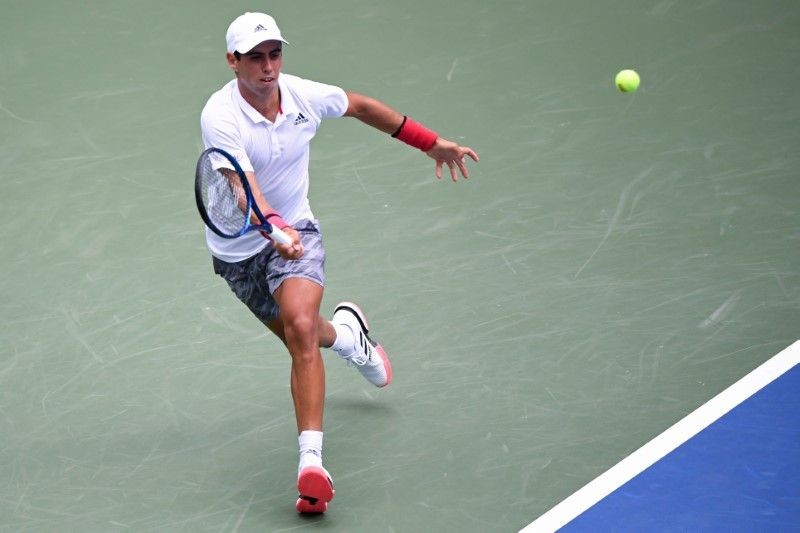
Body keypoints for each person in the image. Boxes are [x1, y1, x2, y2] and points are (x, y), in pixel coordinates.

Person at [199, 12, 479, 514]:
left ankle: (311, 465)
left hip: (297, 231)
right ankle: (350, 338)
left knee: (301, 328)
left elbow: (361, 106)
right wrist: (271, 228)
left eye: (274, 54)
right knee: (302, 333)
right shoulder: (219, 116)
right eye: (256, 58)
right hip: (240, 252)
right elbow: (243, 189)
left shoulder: (302, 94)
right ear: (232, 61)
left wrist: (430, 142)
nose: (268, 67)